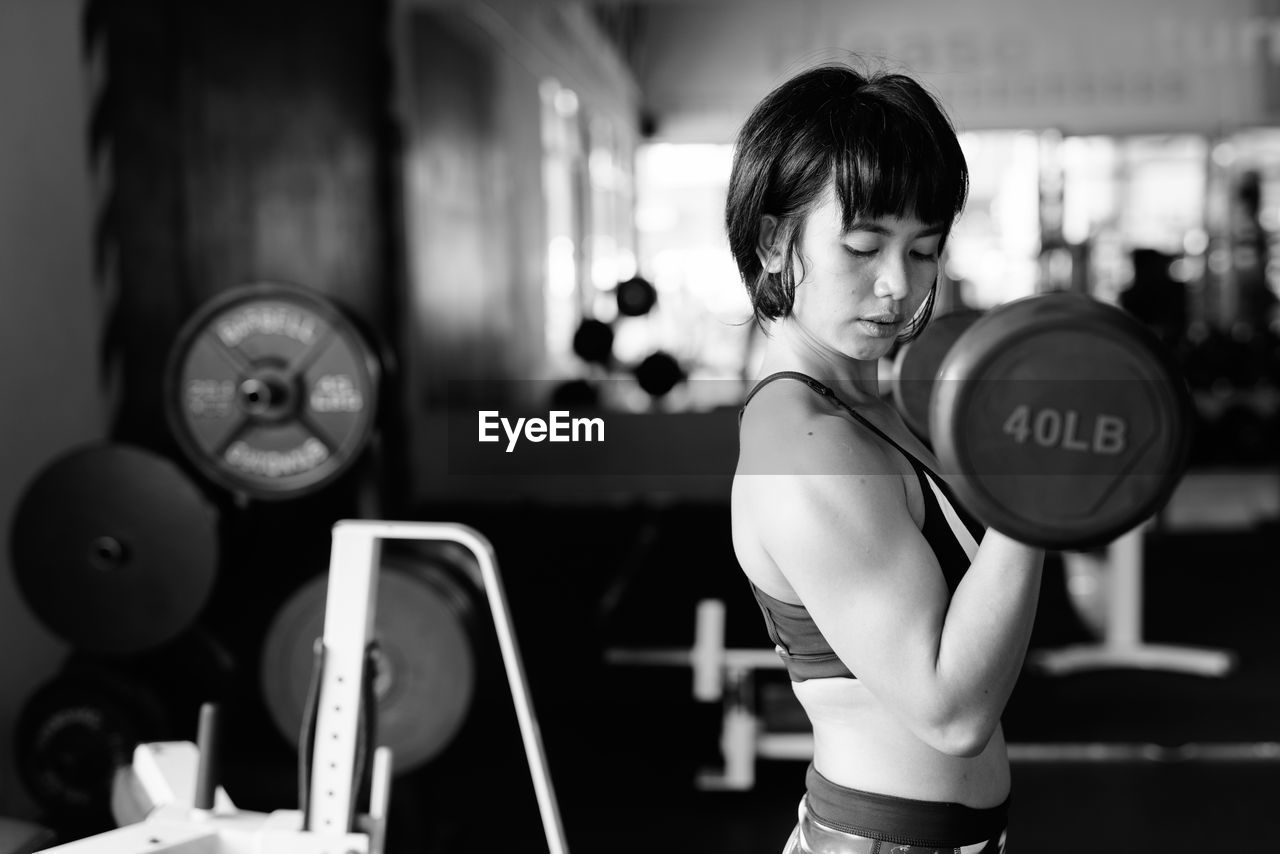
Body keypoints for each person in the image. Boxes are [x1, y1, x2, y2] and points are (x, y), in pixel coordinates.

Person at [727, 63, 1045, 853]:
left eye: (925, 249)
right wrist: (1036, 494)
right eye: (863, 246)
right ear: (774, 241)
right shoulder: (805, 444)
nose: (897, 284)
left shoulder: (871, 407)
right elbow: (951, 711)